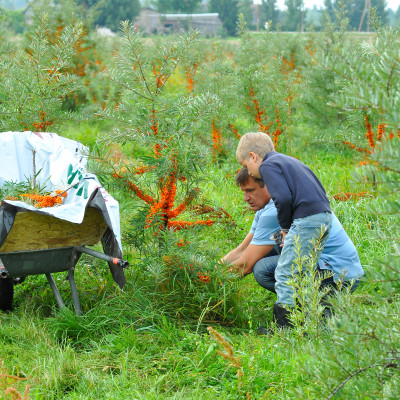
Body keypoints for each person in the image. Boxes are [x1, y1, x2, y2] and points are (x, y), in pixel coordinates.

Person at [223, 167, 364, 330]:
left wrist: (213, 282)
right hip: (338, 268)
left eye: (250, 191)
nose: (246, 198)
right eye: (243, 192)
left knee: (262, 269)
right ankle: (316, 312)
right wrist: (212, 270)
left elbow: (245, 265)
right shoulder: (265, 208)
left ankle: (307, 315)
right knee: (266, 257)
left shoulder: (274, 210)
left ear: (268, 186)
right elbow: (243, 249)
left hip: (340, 275)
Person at [236, 132, 333, 327]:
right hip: (322, 216)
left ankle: (285, 327)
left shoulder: (268, 166)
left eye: (247, 166)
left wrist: (286, 229)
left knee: (286, 272)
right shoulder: (288, 161)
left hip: (307, 220)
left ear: (253, 156)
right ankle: (317, 318)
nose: (251, 173)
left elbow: (283, 199)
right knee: (302, 270)